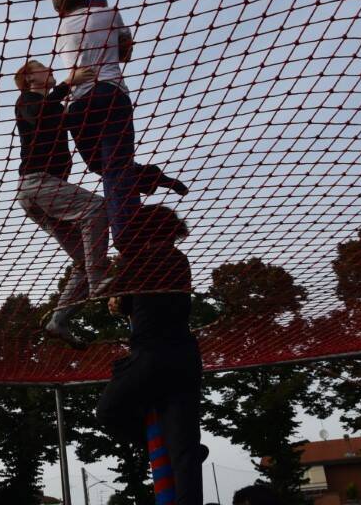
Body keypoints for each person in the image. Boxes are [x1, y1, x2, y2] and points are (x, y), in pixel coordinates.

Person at [96, 204, 205, 505]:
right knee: (185, 452)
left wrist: (119, 270)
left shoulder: (140, 258)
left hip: (151, 356)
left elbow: (114, 299)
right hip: (185, 357)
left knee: (108, 412)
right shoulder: (179, 260)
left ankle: (154, 445)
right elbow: (142, 300)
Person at [14, 58, 110, 348]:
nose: (51, 70)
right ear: (30, 78)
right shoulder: (27, 100)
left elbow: (65, 122)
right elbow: (40, 115)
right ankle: (97, 282)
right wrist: (69, 83)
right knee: (98, 207)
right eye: (43, 68)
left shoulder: (54, 108)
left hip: (42, 192)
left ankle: (59, 320)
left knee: (83, 259)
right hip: (38, 184)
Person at [52, 0, 142, 249]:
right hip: (112, 94)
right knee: (117, 168)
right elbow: (126, 53)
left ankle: (143, 178)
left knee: (101, 167)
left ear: (60, 10)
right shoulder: (110, 13)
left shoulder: (60, 30)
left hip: (79, 106)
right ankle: (126, 233)